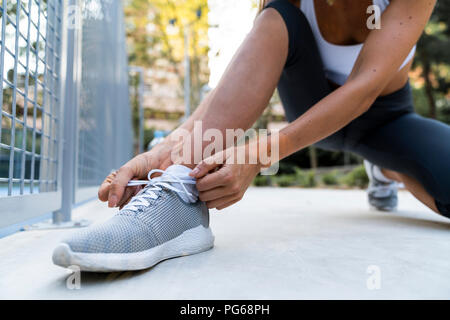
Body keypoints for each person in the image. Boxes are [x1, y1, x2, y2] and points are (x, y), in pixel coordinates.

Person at [53, 0, 449, 272]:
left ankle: (387, 169)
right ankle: (179, 199)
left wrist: (262, 154)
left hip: (383, 119)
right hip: (309, 105)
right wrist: (169, 152)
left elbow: (363, 89)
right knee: (277, 17)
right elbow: (232, 85)